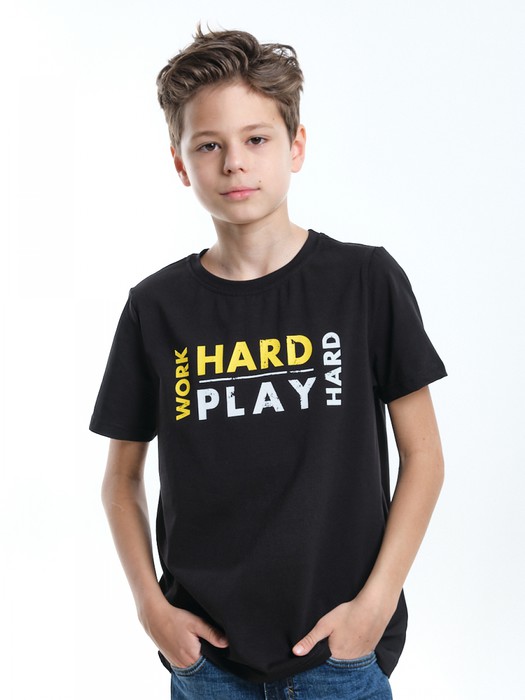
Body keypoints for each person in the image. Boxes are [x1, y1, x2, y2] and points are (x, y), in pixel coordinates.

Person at [90, 26, 447, 700]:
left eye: (256, 139)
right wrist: (151, 611)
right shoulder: (155, 308)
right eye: (209, 145)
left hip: (340, 656)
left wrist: (373, 608)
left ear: (296, 146)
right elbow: (121, 478)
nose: (234, 163)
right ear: (180, 163)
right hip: (207, 664)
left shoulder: (363, 281)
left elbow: (424, 457)